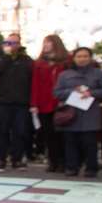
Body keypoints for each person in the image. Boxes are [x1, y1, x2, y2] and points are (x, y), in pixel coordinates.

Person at [53, 46, 102, 177]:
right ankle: (72, 167)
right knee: (70, 142)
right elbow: (57, 93)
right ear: (74, 58)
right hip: (71, 113)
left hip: (90, 113)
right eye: (79, 56)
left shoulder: (99, 73)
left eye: (85, 56)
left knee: (90, 142)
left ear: (90, 58)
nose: (82, 59)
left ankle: (91, 168)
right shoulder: (65, 75)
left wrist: (91, 93)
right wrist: (72, 91)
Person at [0, 33, 34, 168]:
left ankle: (17, 158)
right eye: (9, 43)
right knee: (2, 131)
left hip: (21, 102)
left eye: (15, 43)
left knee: (20, 131)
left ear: (19, 45)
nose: (12, 46)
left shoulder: (26, 60)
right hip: (2, 101)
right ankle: (0, 158)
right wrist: (7, 56)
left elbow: (31, 79)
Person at [33, 34, 67, 172]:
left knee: (62, 134)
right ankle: (53, 161)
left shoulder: (65, 62)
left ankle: (64, 161)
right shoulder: (39, 63)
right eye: (44, 42)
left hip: (60, 101)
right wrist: (33, 103)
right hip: (43, 103)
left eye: (49, 42)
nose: (46, 45)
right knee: (49, 134)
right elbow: (35, 84)